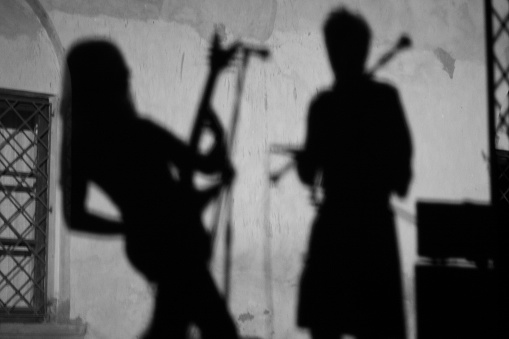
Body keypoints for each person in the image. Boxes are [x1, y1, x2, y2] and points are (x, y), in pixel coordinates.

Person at [61, 36, 239, 339]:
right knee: (215, 329)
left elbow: (75, 216)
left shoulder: (81, 146)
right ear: (111, 80)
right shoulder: (139, 133)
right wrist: (220, 139)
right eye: (121, 72)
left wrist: (131, 225)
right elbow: (205, 165)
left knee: (173, 326)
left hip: (151, 248)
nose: (129, 77)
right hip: (176, 246)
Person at [296, 8, 412, 339]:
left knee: (327, 327)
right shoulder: (383, 100)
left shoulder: (324, 106)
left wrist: (312, 157)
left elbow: (308, 174)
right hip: (374, 234)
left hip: (334, 232)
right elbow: (400, 176)